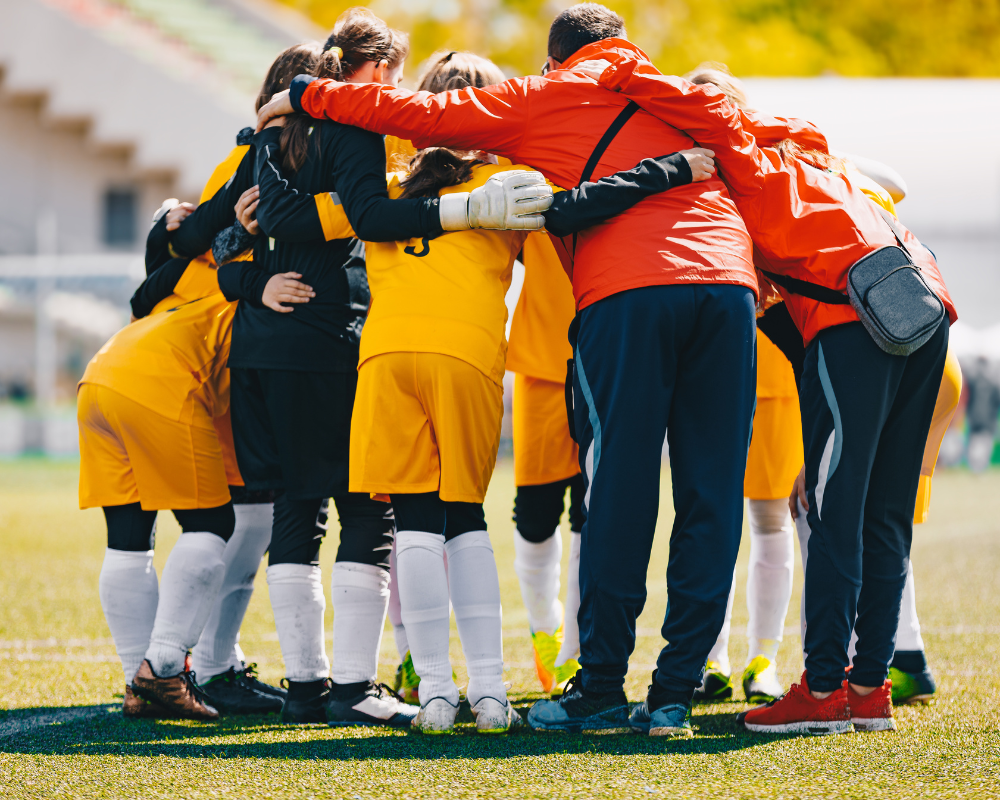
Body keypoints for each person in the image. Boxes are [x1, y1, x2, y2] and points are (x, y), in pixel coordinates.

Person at [255, 2, 825, 738]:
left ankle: (599, 688)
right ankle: (678, 690)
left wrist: (305, 95)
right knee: (712, 493)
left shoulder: (546, 95)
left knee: (619, 485)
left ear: (556, 61)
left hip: (629, 291)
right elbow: (783, 145)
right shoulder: (688, 96)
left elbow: (415, 114)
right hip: (728, 288)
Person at [585, 47, 957, 734]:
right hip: (924, 309)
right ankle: (869, 689)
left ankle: (821, 690)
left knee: (833, 513)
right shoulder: (811, 153)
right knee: (882, 515)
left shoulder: (741, 158)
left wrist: (609, 65)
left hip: (856, 328)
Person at [507, 230, 585, 697]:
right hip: (540, 364)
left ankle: (574, 649)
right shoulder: (527, 173)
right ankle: (545, 626)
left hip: (605, 360)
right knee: (535, 516)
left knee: (591, 515)